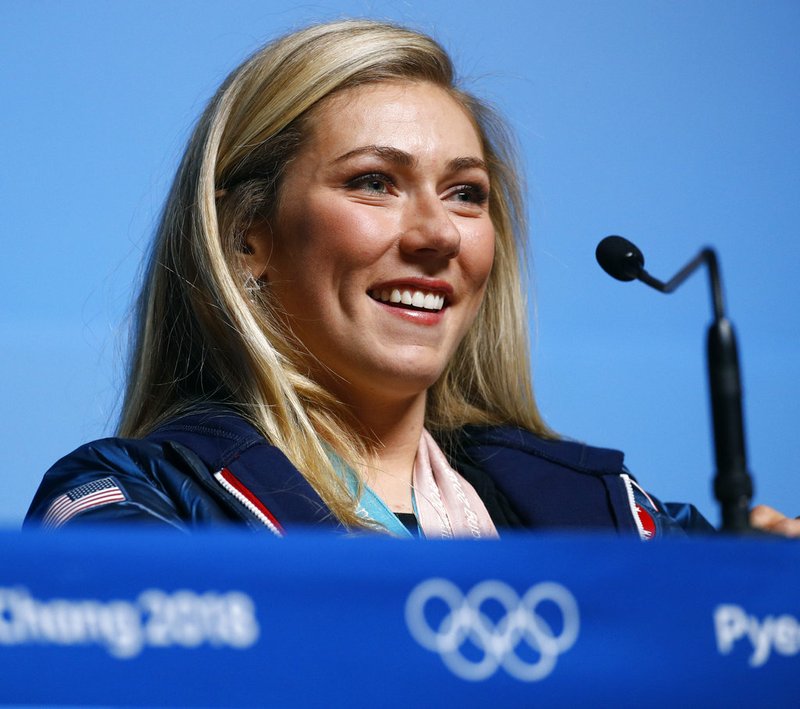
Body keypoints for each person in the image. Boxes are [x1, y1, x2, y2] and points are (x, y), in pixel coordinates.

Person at [24, 19, 798, 539]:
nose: (436, 235)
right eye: (373, 182)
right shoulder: (129, 509)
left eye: (466, 194)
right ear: (245, 237)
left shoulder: (612, 516)